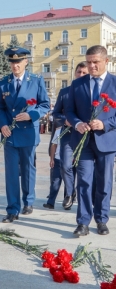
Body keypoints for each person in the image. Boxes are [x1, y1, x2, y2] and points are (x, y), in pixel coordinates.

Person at [64, 45, 116, 236]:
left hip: (107, 141)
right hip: (82, 141)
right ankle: (83, 222)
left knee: (104, 182)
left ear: (106, 61)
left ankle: (102, 220)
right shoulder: (78, 84)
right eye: (89, 62)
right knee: (84, 181)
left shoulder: (115, 83)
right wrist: (77, 123)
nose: (92, 66)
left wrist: (105, 124)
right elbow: (69, 110)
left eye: (96, 62)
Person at [0, 47, 50, 223]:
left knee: (27, 169)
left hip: (28, 133)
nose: (15, 65)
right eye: (12, 62)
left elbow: (44, 105)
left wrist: (31, 115)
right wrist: (2, 124)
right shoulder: (3, 82)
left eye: (18, 62)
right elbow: (0, 107)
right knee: (11, 172)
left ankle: (28, 200)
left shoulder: (35, 80)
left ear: (26, 61)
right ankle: (12, 209)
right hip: (9, 134)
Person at [52, 62, 89, 210]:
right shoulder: (65, 91)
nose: (81, 75)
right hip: (68, 134)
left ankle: (83, 196)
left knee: (83, 169)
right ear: (75, 73)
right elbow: (55, 114)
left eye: (84, 73)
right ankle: (69, 193)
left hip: (86, 136)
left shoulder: (93, 92)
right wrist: (65, 120)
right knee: (66, 165)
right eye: (79, 72)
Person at [43, 125, 63, 209]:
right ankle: (51, 202)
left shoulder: (77, 130)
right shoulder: (59, 131)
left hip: (70, 161)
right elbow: (53, 145)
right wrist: (52, 159)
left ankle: (68, 202)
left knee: (70, 183)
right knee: (55, 182)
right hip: (58, 159)